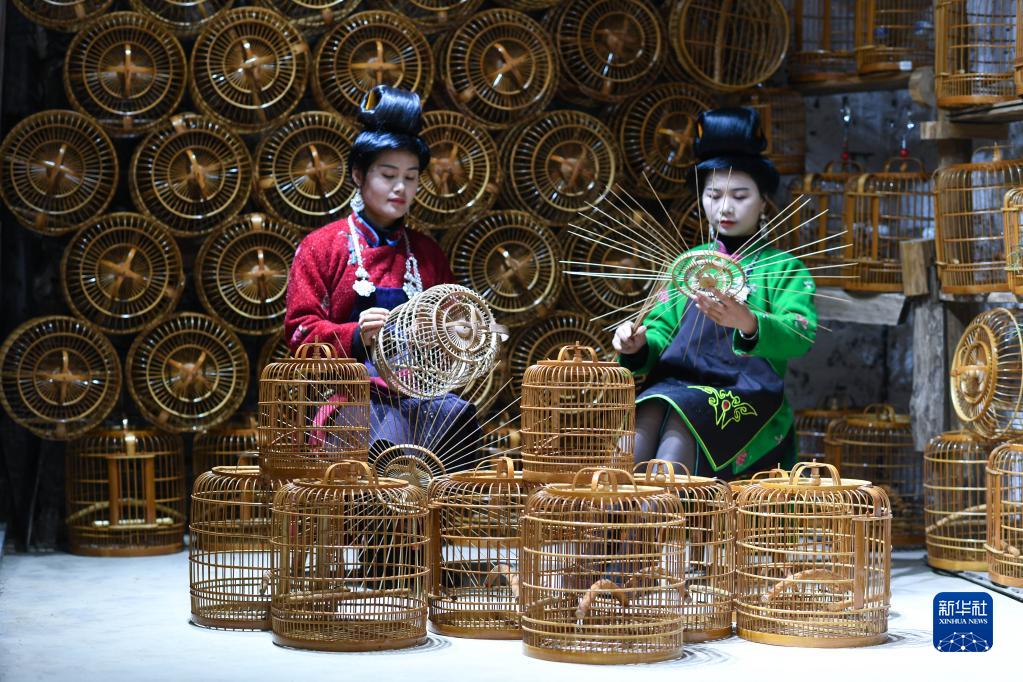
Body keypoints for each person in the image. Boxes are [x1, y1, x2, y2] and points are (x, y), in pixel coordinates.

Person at [613, 107, 817, 480]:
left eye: (740, 195)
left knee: (680, 428)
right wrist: (637, 344)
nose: (724, 207)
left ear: (763, 201)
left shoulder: (783, 268)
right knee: (641, 424)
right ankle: (612, 516)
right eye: (713, 194)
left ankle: (654, 516)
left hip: (746, 392)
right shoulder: (688, 264)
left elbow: (800, 333)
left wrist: (750, 322)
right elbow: (659, 330)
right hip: (675, 383)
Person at [284, 85, 480, 465]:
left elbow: (455, 323)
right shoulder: (322, 246)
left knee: (456, 422)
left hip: (422, 395)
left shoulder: (426, 253)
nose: (400, 187)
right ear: (359, 174)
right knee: (389, 446)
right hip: (349, 398)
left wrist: (456, 332)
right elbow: (300, 332)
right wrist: (356, 336)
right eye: (388, 175)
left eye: (411, 177)